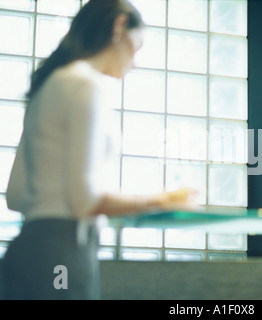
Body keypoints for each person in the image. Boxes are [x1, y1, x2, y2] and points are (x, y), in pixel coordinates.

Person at [3, 0, 196, 300]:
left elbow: (15, 195)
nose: (136, 61)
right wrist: (163, 199)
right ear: (119, 26)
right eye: (137, 46)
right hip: (63, 256)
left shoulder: (49, 84)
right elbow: (85, 200)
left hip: (26, 253)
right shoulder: (85, 85)